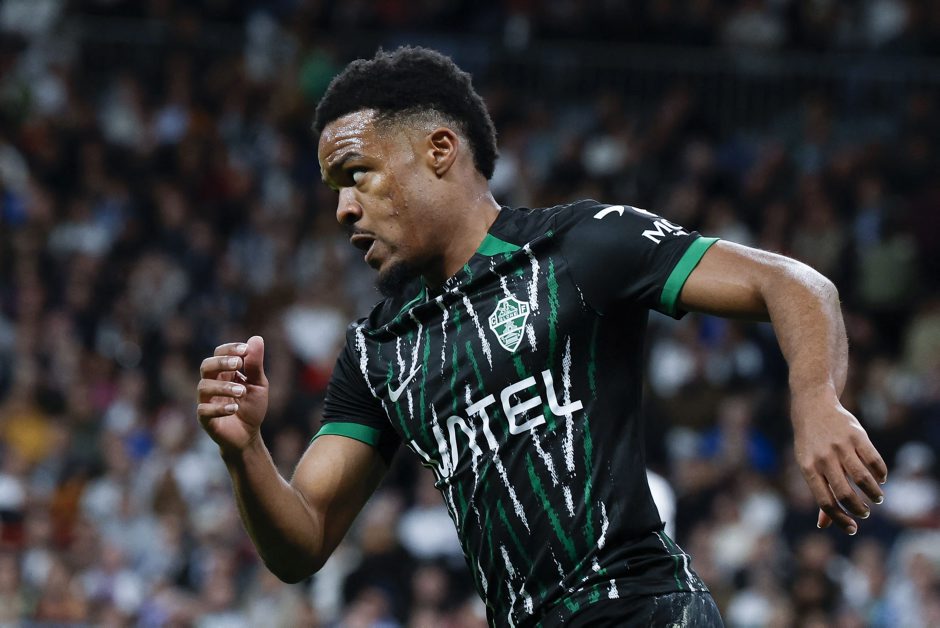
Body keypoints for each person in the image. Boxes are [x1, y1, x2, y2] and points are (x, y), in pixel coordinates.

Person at [195, 46, 888, 627]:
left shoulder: (579, 247)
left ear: (439, 150)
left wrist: (816, 403)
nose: (344, 209)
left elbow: (793, 284)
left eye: (358, 176)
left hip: (643, 610)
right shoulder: (379, 350)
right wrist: (245, 451)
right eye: (334, 189)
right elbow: (304, 541)